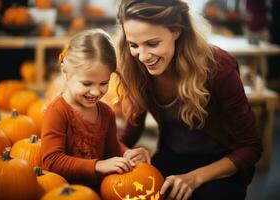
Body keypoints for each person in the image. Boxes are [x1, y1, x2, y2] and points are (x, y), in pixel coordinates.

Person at [116, 0, 262, 200]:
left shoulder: (218, 67)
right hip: (171, 157)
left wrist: (194, 178)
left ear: (176, 30)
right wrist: (122, 154)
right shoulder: (137, 68)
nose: (142, 56)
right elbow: (133, 128)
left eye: (152, 43)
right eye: (134, 45)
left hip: (220, 165)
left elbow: (251, 148)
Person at [41, 29, 150, 189]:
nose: (96, 92)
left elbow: (112, 149)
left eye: (104, 83)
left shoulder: (106, 113)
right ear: (66, 73)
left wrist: (127, 154)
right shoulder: (57, 111)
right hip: (66, 192)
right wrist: (98, 165)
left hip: (100, 190)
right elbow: (51, 161)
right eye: (87, 84)